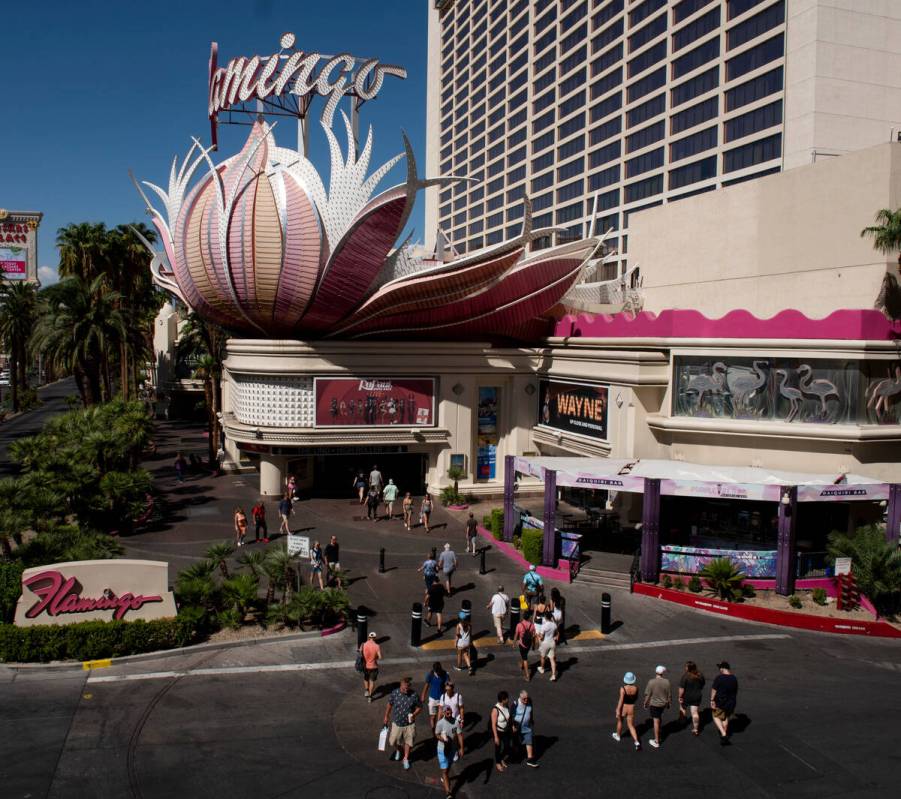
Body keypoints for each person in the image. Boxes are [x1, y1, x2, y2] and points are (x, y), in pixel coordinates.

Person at [383, 676, 422, 770]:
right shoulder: (395, 693)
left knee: (409, 741)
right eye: (404, 688)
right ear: (401, 685)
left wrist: (414, 714)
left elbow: (419, 707)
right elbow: (389, 704)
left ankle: (405, 758)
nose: (406, 690)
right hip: (397, 722)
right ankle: (398, 749)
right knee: (392, 742)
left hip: (409, 724)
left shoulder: (414, 695)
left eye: (407, 688)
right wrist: (386, 716)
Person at [435, 705, 464, 799]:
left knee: (448, 767)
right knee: (445, 770)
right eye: (447, 713)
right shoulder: (440, 723)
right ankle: (449, 793)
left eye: (450, 712)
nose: (449, 714)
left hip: (452, 749)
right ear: (443, 713)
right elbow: (437, 734)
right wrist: (442, 739)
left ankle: (445, 776)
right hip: (442, 749)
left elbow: (459, 735)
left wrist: (461, 748)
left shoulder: (456, 722)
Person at [710, 661, 739, 746]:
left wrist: (712, 700)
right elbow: (735, 691)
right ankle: (724, 735)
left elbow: (714, 690)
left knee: (715, 715)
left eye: (720, 668)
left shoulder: (719, 678)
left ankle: (723, 734)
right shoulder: (734, 678)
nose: (719, 669)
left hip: (721, 701)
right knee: (724, 717)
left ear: (722, 668)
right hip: (731, 702)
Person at [643, 665, 672, 749]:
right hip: (663, 704)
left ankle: (656, 741)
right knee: (659, 717)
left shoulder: (651, 682)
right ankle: (659, 730)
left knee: (655, 720)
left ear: (656, 672)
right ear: (662, 673)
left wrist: (645, 703)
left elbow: (648, 695)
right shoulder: (667, 682)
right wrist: (669, 703)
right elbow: (669, 695)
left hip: (654, 704)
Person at [612, 671, 641, 750]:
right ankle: (636, 741)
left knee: (620, 721)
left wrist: (618, 709)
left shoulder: (623, 689)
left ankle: (618, 736)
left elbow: (621, 700)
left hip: (624, 707)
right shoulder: (636, 688)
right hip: (631, 707)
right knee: (631, 725)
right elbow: (636, 698)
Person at [679, 661, 706, 736]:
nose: (685, 668)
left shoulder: (685, 676)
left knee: (683, 708)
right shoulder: (700, 675)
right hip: (697, 696)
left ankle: (682, 721)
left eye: (686, 666)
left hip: (687, 696)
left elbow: (681, 688)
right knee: (695, 713)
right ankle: (696, 729)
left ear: (688, 668)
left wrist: (680, 696)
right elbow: (703, 684)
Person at [512, 690, 539, 767]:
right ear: (520, 698)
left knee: (529, 741)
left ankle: (530, 759)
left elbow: (531, 711)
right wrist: (513, 725)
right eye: (524, 699)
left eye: (527, 698)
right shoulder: (515, 704)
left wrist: (531, 720)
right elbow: (511, 715)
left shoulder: (529, 701)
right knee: (516, 741)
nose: (526, 700)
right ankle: (516, 755)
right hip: (517, 726)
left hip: (527, 726)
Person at [421, 662, 449, 734]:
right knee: (433, 717)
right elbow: (426, 686)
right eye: (436, 671)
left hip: (442, 699)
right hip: (432, 699)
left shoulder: (445, 674)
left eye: (439, 671)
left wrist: (448, 693)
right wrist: (423, 695)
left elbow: (448, 685)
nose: (438, 672)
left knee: (441, 716)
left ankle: (439, 730)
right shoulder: (430, 675)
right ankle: (434, 731)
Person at [490, 690, 512, 772]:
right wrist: (496, 737)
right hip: (498, 732)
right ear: (503, 699)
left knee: (507, 746)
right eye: (507, 698)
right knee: (498, 748)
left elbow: (508, 717)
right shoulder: (495, 710)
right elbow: (493, 724)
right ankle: (498, 762)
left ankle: (501, 758)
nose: (508, 699)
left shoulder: (506, 706)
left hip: (506, 731)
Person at [514, 610, 537, 681]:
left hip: (522, 644)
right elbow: (533, 636)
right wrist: (533, 645)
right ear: (529, 617)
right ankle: (521, 664)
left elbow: (516, 635)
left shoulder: (519, 625)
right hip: (529, 643)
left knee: (525, 658)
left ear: (523, 616)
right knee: (524, 654)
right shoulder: (532, 625)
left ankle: (527, 675)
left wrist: (514, 643)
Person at [536, 610, 558, 682]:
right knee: (552, 659)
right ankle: (553, 675)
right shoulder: (554, 625)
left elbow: (541, 637)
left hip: (545, 643)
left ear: (545, 617)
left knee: (542, 657)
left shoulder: (544, 626)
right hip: (552, 642)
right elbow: (556, 633)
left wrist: (538, 634)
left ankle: (542, 668)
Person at [360, 631, 381, 702]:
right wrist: (375, 658)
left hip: (365, 666)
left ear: (369, 637)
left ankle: (366, 691)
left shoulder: (363, 644)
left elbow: (360, 652)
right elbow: (380, 657)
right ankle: (370, 696)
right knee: (372, 681)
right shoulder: (377, 646)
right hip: (373, 666)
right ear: (375, 638)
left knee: (366, 678)